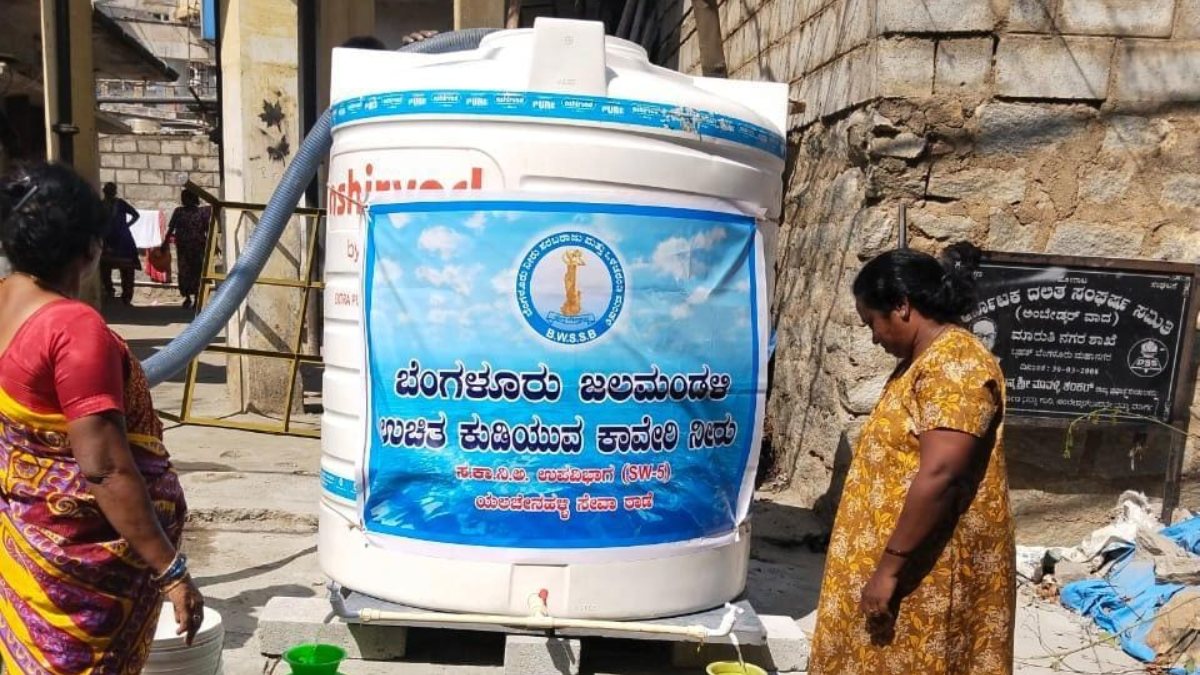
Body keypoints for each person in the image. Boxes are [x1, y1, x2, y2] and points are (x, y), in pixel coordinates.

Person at [0, 164, 203, 673]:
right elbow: (106, 468)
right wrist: (171, 572)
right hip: (83, 577)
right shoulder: (72, 327)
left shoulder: (4, 302)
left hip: (29, 549)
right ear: (91, 247)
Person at [808, 242, 1015, 675]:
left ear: (902, 306)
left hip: (927, 575)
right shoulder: (923, 362)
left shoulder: (955, 365)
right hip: (899, 568)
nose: (873, 337)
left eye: (873, 322)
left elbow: (941, 473)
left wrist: (888, 571)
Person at [162, 189, 209, 308]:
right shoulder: (179, 211)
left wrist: (214, 245)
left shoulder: (202, 212)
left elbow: (208, 230)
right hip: (183, 249)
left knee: (197, 272)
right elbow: (171, 229)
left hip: (197, 248)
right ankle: (187, 297)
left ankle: (197, 297)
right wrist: (165, 243)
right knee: (184, 272)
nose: (184, 200)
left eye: (186, 198)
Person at [100, 182, 140, 305]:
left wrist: (126, 226)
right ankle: (109, 291)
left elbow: (135, 215)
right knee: (104, 268)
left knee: (127, 270)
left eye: (112, 190)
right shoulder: (101, 205)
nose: (110, 193)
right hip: (108, 241)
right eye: (109, 190)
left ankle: (126, 296)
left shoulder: (120, 204)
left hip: (123, 241)